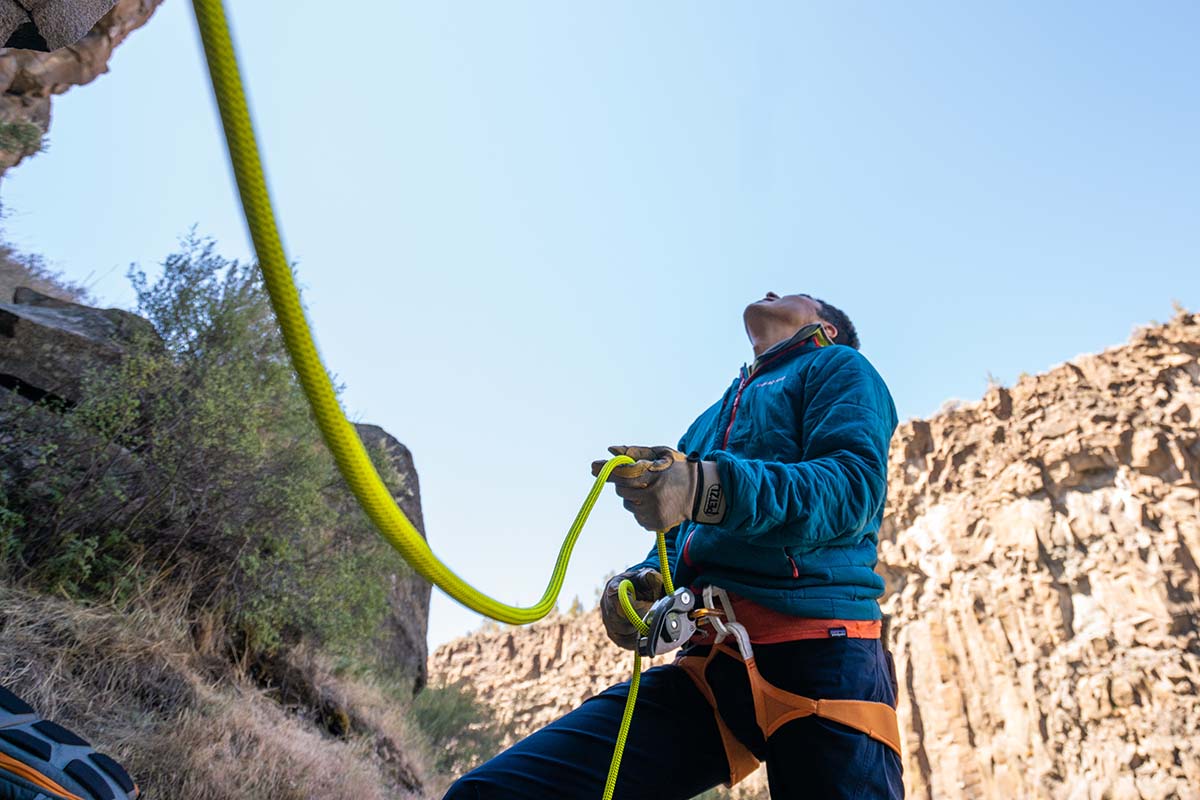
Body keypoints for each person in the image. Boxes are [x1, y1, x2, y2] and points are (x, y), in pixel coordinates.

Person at [445, 292, 903, 799]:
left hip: (827, 655)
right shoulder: (711, 418)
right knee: (488, 794)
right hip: (710, 668)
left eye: (796, 293)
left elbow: (851, 488)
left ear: (827, 328)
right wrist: (646, 580)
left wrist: (705, 486)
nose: (771, 293)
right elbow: (678, 536)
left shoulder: (840, 367)